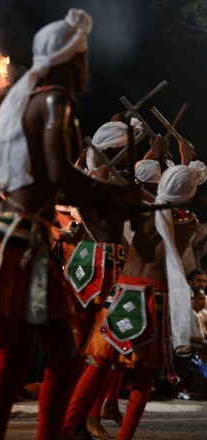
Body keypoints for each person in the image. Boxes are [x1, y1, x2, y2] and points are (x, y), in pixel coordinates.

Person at [0, 9, 140, 440]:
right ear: (65, 60)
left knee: (16, 355)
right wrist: (112, 195)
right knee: (60, 358)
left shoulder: (40, 98)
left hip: (13, 233)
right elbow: (61, 174)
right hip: (22, 240)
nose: (86, 67)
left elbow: (51, 178)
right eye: (82, 59)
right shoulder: (56, 99)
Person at [64, 163, 205, 439]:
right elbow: (169, 202)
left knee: (99, 363)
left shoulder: (139, 212)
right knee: (144, 374)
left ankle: (67, 426)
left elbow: (148, 201)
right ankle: (124, 436)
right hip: (155, 297)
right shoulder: (188, 222)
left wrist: (132, 188)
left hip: (123, 291)